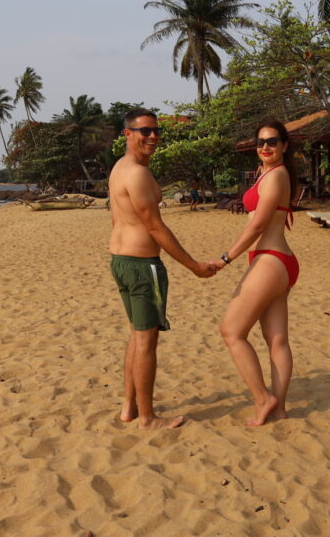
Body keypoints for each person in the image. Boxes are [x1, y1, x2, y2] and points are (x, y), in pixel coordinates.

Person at [109, 107, 220, 429]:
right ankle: (147, 418)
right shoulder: (138, 174)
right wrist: (194, 266)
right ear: (128, 135)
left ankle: (128, 408)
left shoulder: (123, 167)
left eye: (156, 131)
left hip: (122, 261)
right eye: (145, 131)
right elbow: (155, 228)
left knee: (136, 336)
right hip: (142, 266)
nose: (153, 136)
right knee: (146, 342)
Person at [215, 119, 298, 426]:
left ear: (284, 146)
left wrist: (226, 258)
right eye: (260, 142)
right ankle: (279, 409)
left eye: (272, 141)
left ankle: (264, 399)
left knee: (232, 331)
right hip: (279, 261)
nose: (265, 146)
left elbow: (258, 224)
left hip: (270, 259)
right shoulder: (269, 174)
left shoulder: (276, 177)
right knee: (276, 339)